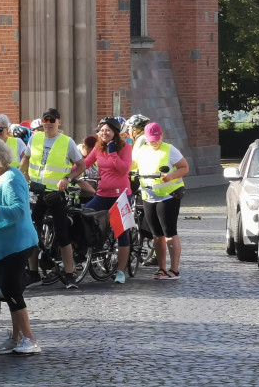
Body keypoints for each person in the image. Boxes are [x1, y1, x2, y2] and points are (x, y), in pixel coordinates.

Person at [0, 135, 41, 355]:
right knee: (10, 290)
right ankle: (16, 338)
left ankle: (30, 340)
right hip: (9, 244)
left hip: (17, 244)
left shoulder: (11, 178)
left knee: (12, 290)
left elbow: (19, 210)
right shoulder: (2, 176)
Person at [26, 107, 85, 288]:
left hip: (56, 194)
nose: (49, 124)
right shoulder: (35, 138)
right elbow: (25, 160)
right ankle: (33, 272)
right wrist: (23, 178)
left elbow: (81, 165)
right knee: (30, 233)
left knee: (62, 234)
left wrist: (67, 179)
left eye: (52, 120)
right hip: (36, 192)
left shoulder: (67, 142)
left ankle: (69, 274)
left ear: (59, 122)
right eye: (46, 120)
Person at [133, 121, 189, 280]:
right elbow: (131, 166)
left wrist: (170, 176)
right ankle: (162, 269)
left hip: (168, 195)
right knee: (156, 235)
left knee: (169, 232)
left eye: (156, 138)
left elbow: (184, 167)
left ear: (162, 135)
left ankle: (175, 270)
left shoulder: (170, 150)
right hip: (148, 196)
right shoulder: (141, 151)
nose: (154, 141)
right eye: (151, 139)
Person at [81, 118, 134, 283]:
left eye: (108, 130)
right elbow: (85, 163)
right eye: (101, 130)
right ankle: (93, 247)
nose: (104, 133)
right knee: (83, 215)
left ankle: (120, 271)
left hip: (121, 195)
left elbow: (124, 168)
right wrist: (68, 174)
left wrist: (112, 153)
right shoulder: (98, 147)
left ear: (115, 133)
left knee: (121, 232)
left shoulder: (125, 147)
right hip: (102, 194)